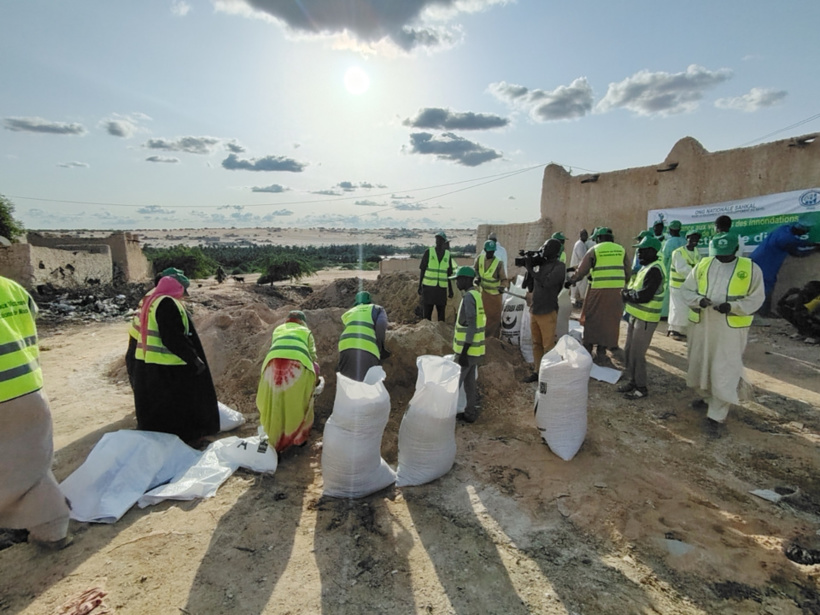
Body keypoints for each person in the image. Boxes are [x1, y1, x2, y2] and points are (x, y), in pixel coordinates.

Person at [0, 275, 72, 549]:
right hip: (28, 388)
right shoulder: (12, 288)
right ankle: (52, 531)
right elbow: (30, 317)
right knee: (32, 465)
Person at [681, 233, 765, 434]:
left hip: (729, 328)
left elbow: (756, 298)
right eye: (719, 255)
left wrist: (733, 306)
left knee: (724, 368)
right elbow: (687, 290)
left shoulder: (750, 268)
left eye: (726, 255)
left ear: (736, 250)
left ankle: (717, 415)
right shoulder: (704, 264)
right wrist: (698, 301)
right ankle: (707, 397)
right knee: (701, 362)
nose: (722, 258)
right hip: (703, 324)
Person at [130, 274, 220, 444]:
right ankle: (187, 437)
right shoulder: (167, 304)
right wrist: (193, 359)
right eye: (181, 289)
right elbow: (173, 337)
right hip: (171, 364)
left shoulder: (152, 301)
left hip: (152, 363)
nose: (184, 293)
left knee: (162, 405)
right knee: (180, 404)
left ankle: (169, 435)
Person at [256, 310, 319, 452]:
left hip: (271, 365)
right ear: (302, 322)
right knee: (297, 402)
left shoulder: (278, 329)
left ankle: (272, 439)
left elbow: (277, 348)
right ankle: (299, 439)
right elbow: (313, 357)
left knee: (274, 401)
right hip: (297, 366)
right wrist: (315, 379)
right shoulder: (306, 331)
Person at [566, 227, 630, 364]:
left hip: (599, 289)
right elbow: (628, 271)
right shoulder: (621, 250)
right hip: (617, 291)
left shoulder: (595, 250)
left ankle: (588, 349)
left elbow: (582, 271)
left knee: (592, 318)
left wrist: (571, 280)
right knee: (610, 321)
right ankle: (602, 351)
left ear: (599, 238)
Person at [617, 236, 665, 399]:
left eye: (643, 251)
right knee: (629, 350)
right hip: (635, 315)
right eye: (639, 250)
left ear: (652, 251)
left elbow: (644, 295)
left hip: (646, 318)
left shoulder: (655, 270)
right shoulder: (645, 268)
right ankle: (632, 380)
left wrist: (626, 295)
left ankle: (641, 387)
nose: (639, 253)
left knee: (637, 354)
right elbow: (634, 289)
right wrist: (627, 293)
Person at [750, 218, 819, 317]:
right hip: (766, 264)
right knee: (766, 286)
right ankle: (764, 312)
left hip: (756, 259)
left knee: (756, 285)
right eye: (805, 231)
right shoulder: (787, 239)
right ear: (800, 230)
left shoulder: (783, 229)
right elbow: (797, 252)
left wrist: (810, 244)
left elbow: (797, 242)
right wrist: (814, 249)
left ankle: (757, 310)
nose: (805, 233)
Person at [523, 239, 566, 382]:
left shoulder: (560, 267)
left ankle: (548, 374)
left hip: (547, 310)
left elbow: (547, 283)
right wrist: (529, 270)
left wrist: (531, 269)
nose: (543, 249)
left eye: (546, 247)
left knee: (548, 345)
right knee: (536, 343)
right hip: (535, 309)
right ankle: (537, 371)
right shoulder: (541, 266)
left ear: (554, 250)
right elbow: (529, 287)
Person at [450, 266, 485, 423]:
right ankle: (470, 413)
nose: (456, 283)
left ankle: (446, 417)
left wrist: (464, 352)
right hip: (475, 351)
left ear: (465, 280)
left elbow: (471, 325)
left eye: (457, 279)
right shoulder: (476, 295)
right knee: (470, 384)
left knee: (453, 385)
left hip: (467, 351)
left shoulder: (469, 298)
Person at [337, 291, 389, 381]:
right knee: (367, 382)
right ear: (370, 301)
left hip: (345, 346)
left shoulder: (349, 312)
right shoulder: (377, 309)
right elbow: (381, 325)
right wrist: (381, 347)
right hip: (367, 347)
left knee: (348, 381)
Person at [667, 230, 702, 340]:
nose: (694, 241)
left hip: (689, 286)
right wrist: (696, 274)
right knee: (677, 308)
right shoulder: (678, 252)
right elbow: (682, 269)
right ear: (687, 238)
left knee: (685, 309)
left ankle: (681, 331)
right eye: (692, 238)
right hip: (677, 285)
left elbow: (699, 266)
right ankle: (673, 330)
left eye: (696, 239)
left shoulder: (696, 252)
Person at [418, 231, 455, 322]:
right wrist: (420, 286)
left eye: (441, 240)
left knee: (441, 315)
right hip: (429, 288)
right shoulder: (429, 252)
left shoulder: (447, 255)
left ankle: (440, 334)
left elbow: (449, 274)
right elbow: (422, 270)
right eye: (437, 239)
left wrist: (450, 289)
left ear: (444, 242)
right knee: (427, 315)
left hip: (441, 289)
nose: (438, 241)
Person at [474, 240, 507, 338]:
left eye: (492, 252)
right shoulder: (479, 259)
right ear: (485, 250)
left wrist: (502, 287)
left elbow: (504, 279)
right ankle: (482, 336)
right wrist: (477, 278)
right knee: (482, 316)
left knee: (494, 318)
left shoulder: (498, 263)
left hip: (495, 295)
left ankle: (492, 339)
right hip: (483, 293)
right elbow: (475, 269)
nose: (490, 253)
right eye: (489, 251)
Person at [659, 220, 685, 318]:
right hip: (682, 273)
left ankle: (665, 314)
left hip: (670, 270)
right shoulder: (684, 241)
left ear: (670, 229)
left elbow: (665, 257)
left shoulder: (669, 242)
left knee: (667, 294)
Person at [569, 229, 595, 308]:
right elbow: (583, 258)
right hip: (578, 269)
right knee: (578, 288)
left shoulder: (582, 244)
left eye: (586, 235)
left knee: (578, 288)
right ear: (580, 236)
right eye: (584, 235)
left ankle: (577, 303)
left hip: (579, 269)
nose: (586, 237)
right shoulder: (579, 244)